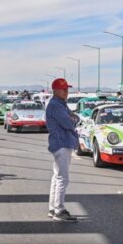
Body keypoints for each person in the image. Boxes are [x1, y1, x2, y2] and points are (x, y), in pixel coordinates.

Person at [45, 78, 78, 222]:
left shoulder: (60, 104)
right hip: (61, 144)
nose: (67, 92)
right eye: (64, 89)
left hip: (62, 143)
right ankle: (59, 210)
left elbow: (74, 117)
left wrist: (73, 118)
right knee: (62, 179)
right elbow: (68, 123)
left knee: (57, 177)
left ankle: (53, 208)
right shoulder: (56, 105)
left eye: (67, 89)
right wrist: (73, 120)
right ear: (56, 91)